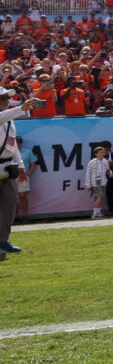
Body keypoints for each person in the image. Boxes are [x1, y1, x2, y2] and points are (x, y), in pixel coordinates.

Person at [0, 91, 38, 254]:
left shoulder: (10, 121)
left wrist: (21, 165)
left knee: (10, 203)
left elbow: (12, 143)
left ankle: (3, 240)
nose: (6, 100)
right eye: (3, 97)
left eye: (7, 97)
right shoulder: (7, 116)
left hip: (7, 167)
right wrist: (21, 108)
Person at [84, 146, 112, 219]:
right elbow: (88, 173)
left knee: (100, 197)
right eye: (100, 153)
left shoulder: (105, 161)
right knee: (99, 196)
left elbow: (108, 171)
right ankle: (95, 214)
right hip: (95, 183)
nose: (102, 154)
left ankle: (99, 213)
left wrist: (111, 174)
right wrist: (88, 185)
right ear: (96, 154)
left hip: (104, 182)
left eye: (103, 152)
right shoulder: (92, 162)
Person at [13, 136, 35, 222]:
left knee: (23, 196)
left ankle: (25, 216)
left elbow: (33, 163)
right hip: (13, 176)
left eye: (18, 143)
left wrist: (28, 174)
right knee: (14, 197)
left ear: (21, 143)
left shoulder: (27, 152)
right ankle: (15, 217)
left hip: (23, 176)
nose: (16, 145)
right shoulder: (10, 152)